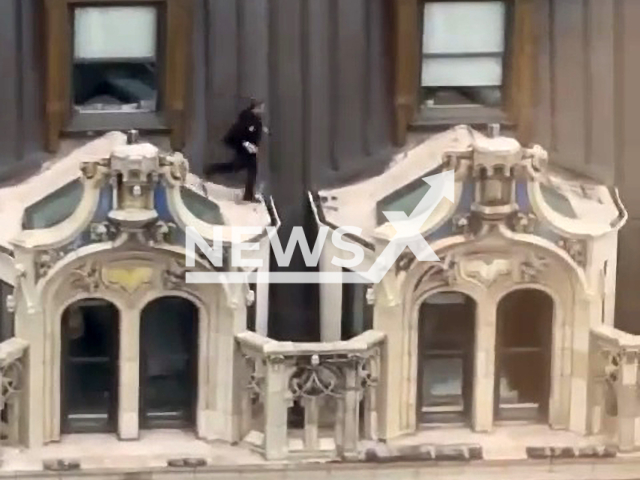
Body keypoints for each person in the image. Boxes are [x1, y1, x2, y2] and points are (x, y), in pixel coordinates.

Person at [204, 99, 265, 202]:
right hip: (245, 149)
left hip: (247, 148)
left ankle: (211, 169)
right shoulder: (250, 119)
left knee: (239, 167)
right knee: (244, 168)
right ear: (256, 107)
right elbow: (242, 132)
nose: (263, 110)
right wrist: (248, 145)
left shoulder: (253, 118)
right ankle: (248, 196)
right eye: (261, 107)